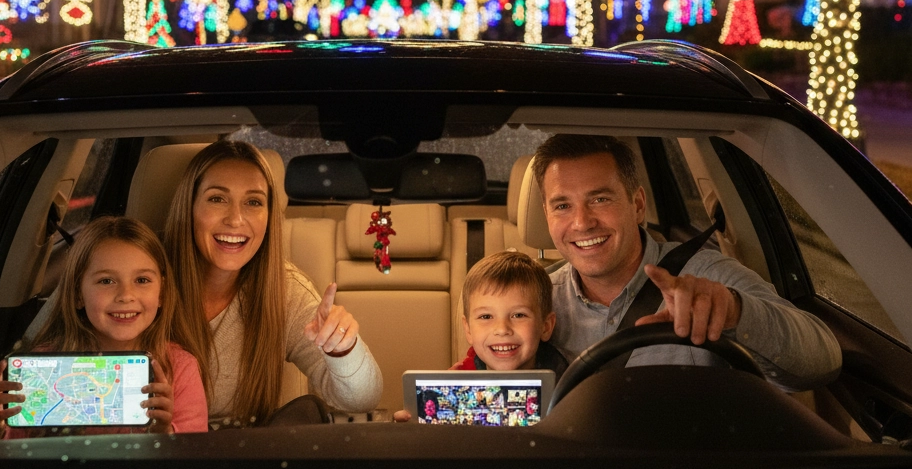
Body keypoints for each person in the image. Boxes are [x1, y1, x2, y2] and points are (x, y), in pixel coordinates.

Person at [532, 134, 842, 387]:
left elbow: (822, 360)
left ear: (637, 205)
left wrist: (734, 314)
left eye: (600, 199)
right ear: (546, 215)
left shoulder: (703, 278)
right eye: (562, 206)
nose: (582, 223)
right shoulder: (533, 300)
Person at [164, 140, 382, 427]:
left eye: (253, 202)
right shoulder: (142, 281)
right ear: (189, 206)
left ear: (270, 217)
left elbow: (363, 400)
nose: (236, 219)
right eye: (217, 199)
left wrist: (342, 348)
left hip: (248, 461)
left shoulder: (283, 291)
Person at [0, 216, 208, 441]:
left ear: (161, 292)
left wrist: (164, 433)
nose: (125, 295)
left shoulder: (179, 368)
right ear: (78, 294)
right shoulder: (44, 365)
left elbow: (194, 456)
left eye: (142, 280)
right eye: (106, 281)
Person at [394, 250, 567, 421]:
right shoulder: (452, 386)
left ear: (545, 326)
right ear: (468, 330)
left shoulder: (567, 386)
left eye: (518, 315)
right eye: (486, 317)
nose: (502, 329)